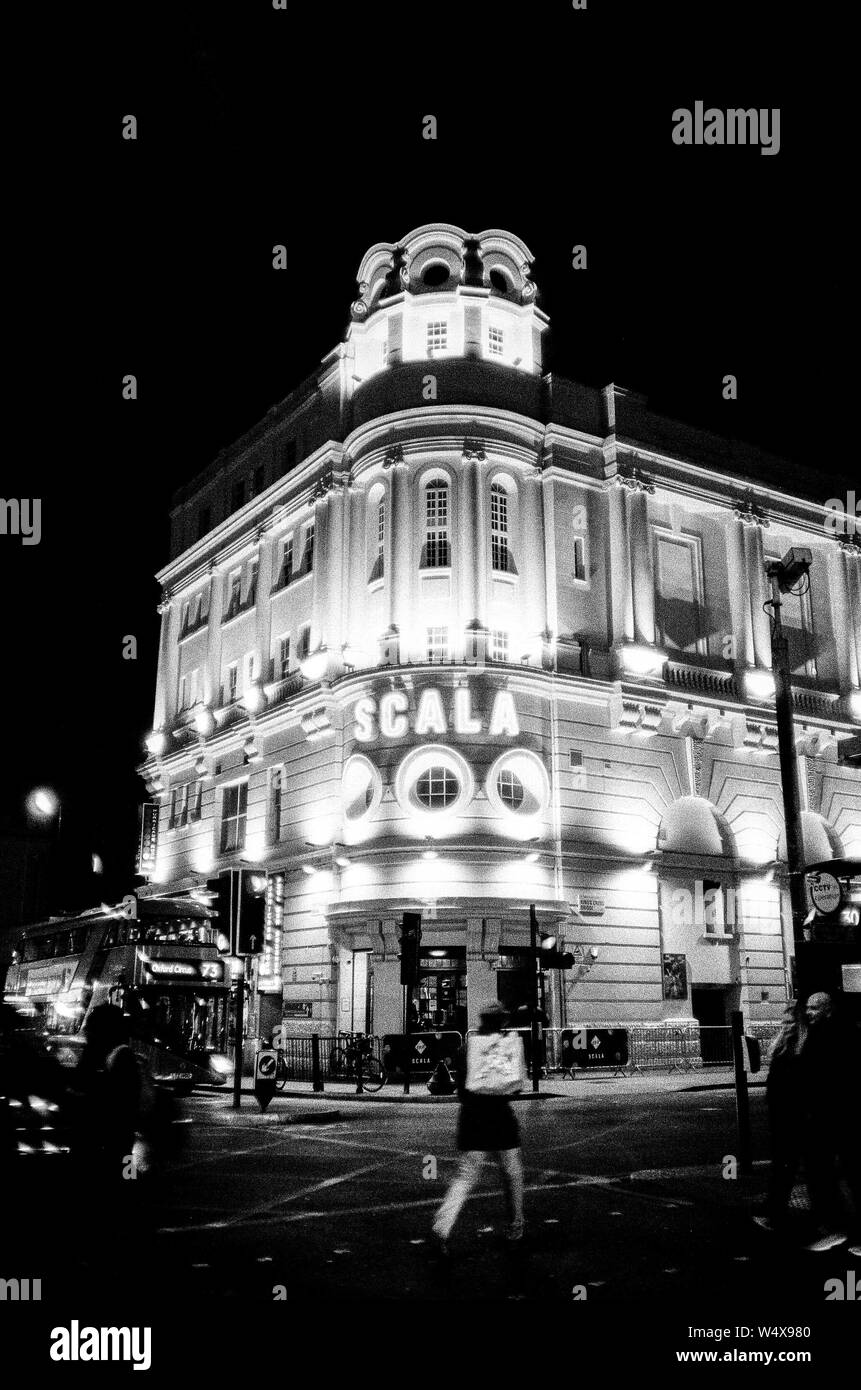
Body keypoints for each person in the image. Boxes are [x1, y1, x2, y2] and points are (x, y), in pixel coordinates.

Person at [432, 1003, 525, 1254]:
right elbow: (516, 1086)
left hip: (473, 1118)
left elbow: (461, 1089)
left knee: (465, 1176)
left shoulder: (467, 1048)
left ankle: (442, 1227)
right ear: (502, 1022)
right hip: (501, 1118)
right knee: (512, 1172)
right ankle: (516, 1225)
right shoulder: (507, 1046)